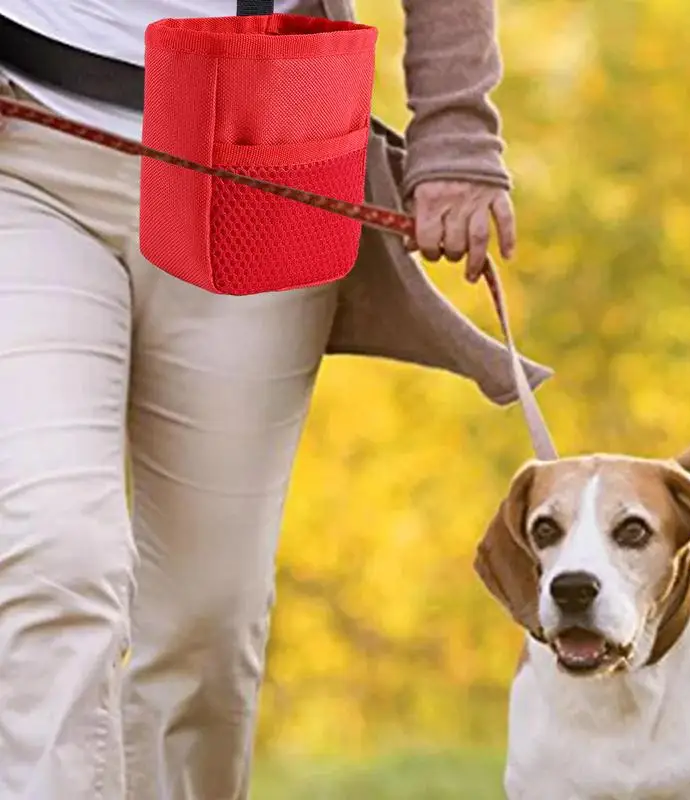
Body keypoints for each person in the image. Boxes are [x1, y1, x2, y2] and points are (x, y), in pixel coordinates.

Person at [0, 0, 550, 797]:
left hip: (264, 147)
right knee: (52, 556)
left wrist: (457, 133)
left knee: (209, 622)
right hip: (27, 143)